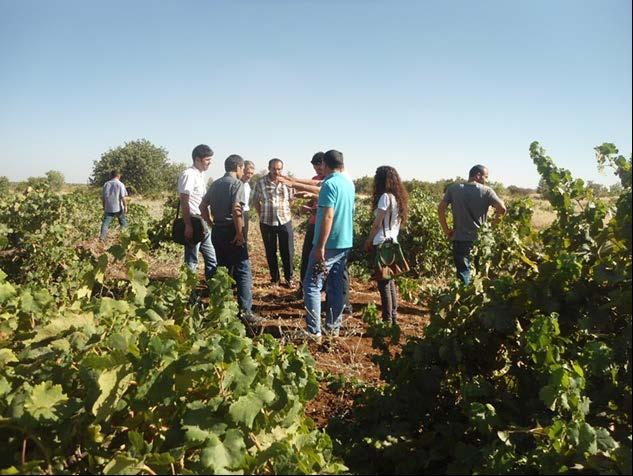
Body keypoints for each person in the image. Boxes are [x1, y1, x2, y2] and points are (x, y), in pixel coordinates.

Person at [200, 155, 261, 324]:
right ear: (239, 167)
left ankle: (223, 309)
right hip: (231, 232)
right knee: (243, 269)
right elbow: (236, 209)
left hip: (218, 231)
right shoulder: (237, 184)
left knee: (223, 268)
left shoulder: (216, 183)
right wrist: (240, 233)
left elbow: (202, 206)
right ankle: (245, 312)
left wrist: (211, 223)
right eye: (243, 169)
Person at [303, 149, 355, 340]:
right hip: (345, 242)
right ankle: (333, 327)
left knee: (311, 285)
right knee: (335, 285)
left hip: (329, 243)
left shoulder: (329, 184)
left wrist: (320, 247)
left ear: (325, 164)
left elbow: (327, 216)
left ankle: (314, 331)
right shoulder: (349, 184)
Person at [438, 165, 507, 284]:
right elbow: (502, 209)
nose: (486, 180)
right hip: (481, 240)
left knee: (464, 272)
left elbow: (441, 209)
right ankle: (477, 299)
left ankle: (465, 297)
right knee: (480, 274)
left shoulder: (454, 189)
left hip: (460, 238)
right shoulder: (487, 191)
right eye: (486, 177)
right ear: (478, 175)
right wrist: (493, 226)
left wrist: (446, 229)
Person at [363, 166, 409, 325]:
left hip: (381, 243)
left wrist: (369, 240)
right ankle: (393, 318)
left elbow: (377, 224)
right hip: (393, 242)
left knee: (384, 283)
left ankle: (387, 320)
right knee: (390, 281)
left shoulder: (385, 197)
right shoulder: (397, 198)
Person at [251, 158, 296, 288]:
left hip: (284, 221)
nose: (277, 171)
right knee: (270, 251)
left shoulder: (287, 183)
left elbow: (291, 200)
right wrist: (261, 214)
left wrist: (286, 211)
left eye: (279, 169)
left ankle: (289, 278)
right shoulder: (260, 182)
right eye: (274, 169)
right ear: (269, 168)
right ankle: (275, 279)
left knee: (287, 251)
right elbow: (255, 200)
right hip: (266, 221)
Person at [177, 144, 217, 283]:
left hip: (203, 223)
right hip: (193, 222)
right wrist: (188, 225)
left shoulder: (201, 175)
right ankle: (189, 294)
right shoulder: (188, 175)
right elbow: (184, 200)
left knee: (212, 257)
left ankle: (213, 290)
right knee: (192, 260)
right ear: (197, 159)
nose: (210, 163)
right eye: (207, 160)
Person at [99, 169, 129, 241]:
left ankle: (102, 238)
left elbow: (103, 197)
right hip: (118, 207)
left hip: (108, 207)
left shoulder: (106, 184)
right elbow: (123, 197)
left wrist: (104, 206)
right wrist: (125, 206)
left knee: (105, 223)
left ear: (111, 175)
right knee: (123, 222)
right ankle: (125, 237)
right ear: (119, 175)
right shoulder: (120, 184)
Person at [241, 160, 256, 242]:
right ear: (242, 171)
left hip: (245, 213)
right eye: (248, 173)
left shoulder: (247, 185)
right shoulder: (236, 184)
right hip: (237, 214)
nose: (249, 176)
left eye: (251, 173)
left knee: (244, 238)